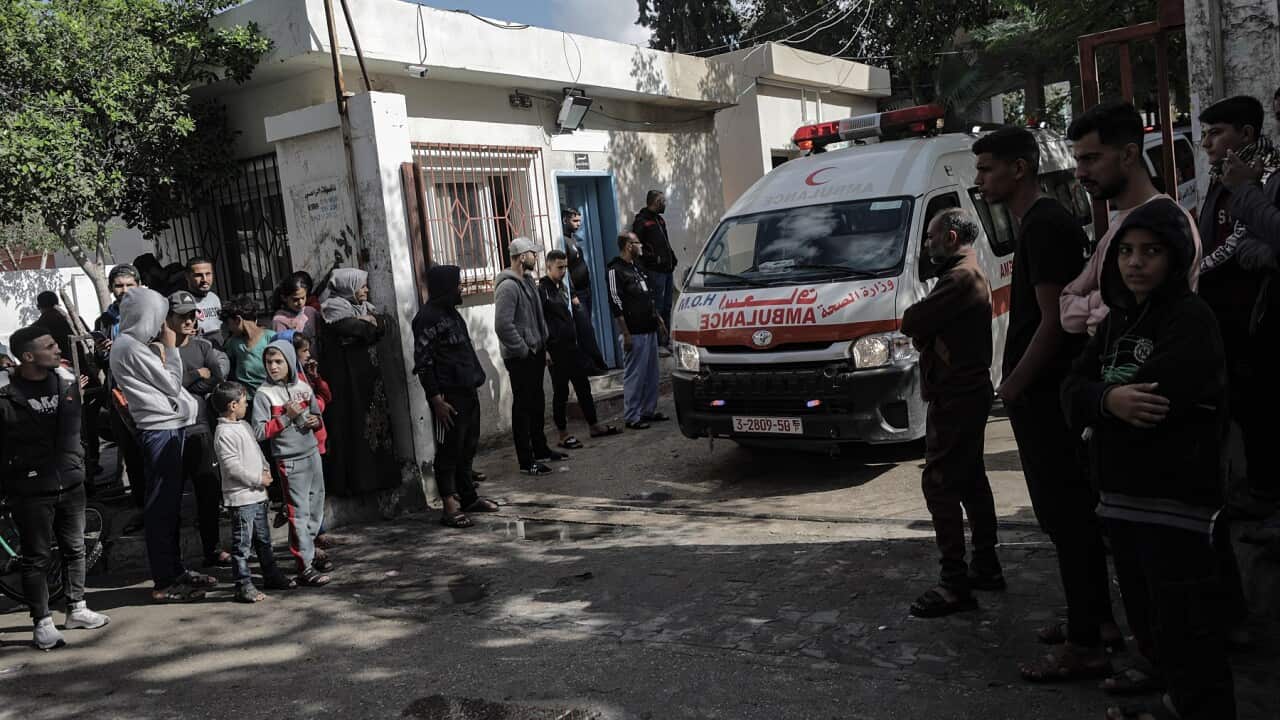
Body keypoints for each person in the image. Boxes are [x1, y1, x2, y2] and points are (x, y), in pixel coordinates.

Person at [1062, 201, 1237, 720]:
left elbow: (1159, 397)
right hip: (1121, 499)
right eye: (1127, 253)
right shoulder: (1117, 320)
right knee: (1151, 620)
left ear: (1175, 256)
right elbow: (1071, 391)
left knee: (1189, 625)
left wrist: (1099, 399)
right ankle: (1174, 703)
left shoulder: (1191, 319)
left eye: (1151, 252)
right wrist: (1105, 400)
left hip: (1176, 502)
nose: (1135, 263)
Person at [973, 127, 1120, 679]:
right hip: (1042, 391)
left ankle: (1088, 641)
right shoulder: (1034, 223)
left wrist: (1012, 384)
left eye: (988, 170)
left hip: (1048, 394)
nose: (979, 180)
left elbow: (1054, 321)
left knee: (1067, 515)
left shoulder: (1044, 224)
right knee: (1065, 517)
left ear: (1020, 168)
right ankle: (1093, 618)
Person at [901, 209, 1001, 618]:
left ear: (950, 236)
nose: (927, 244)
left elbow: (913, 321)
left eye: (930, 237)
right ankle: (986, 564)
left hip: (956, 396)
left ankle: (954, 582)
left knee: (940, 483)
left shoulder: (959, 278)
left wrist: (925, 331)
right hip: (966, 393)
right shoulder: (967, 273)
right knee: (971, 478)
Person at [0, 325, 111, 650]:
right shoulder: (6, 394)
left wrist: (78, 464)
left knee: (75, 547)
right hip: (29, 488)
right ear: (28, 356)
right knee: (36, 557)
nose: (56, 349)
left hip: (70, 481)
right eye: (48, 346)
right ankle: (43, 622)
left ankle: (76, 608)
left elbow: (73, 430)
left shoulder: (65, 383)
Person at [1196, 96, 1280, 520]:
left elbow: (1252, 244)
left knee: (1258, 416)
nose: (1208, 143)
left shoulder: (1258, 181)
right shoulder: (1223, 179)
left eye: (1216, 133)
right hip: (1225, 324)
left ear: (1246, 135)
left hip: (1251, 323)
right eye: (1205, 135)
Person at [1061, 101, 1201, 335]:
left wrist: (1100, 303)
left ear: (1128, 154)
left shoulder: (1171, 223)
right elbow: (1066, 308)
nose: (1079, 173)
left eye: (1091, 159)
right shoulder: (1118, 225)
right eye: (1078, 160)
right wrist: (1105, 299)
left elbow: (1112, 323)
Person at [109, 287, 212, 603]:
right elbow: (170, 383)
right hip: (160, 431)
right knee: (161, 508)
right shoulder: (128, 347)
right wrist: (173, 349)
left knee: (170, 507)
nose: (162, 324)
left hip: (170, 428)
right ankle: (165, 580)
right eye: (158, 316)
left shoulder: (133, 345)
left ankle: (175, 571)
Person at [412, 265, 498, 527]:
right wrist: (436, 399)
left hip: (467, 389)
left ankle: (468, 497)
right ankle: (449, 506)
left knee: (467, 446)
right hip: (447, 395)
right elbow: (423, 363)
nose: (460, 289)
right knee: (449, 450)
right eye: (457, 285)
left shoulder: (451, 313)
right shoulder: (426, 318)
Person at [316, 268, 399, 496]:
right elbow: (359, 329)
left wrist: (370, 323)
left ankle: (381, 477)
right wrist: (369, 324)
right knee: (353, 427)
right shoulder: (333, 309)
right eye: (362, 286)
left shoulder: (364, 308)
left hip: (369, 380)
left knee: (376, 425)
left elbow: (383, 326)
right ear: (347, 286)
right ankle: (359, 483)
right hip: (347, 382)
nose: (366, 290)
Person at [253, 339, 329, 586]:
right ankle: (304, 566)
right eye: (268, 362)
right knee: (298, 512)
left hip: (311, 452)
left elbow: (317, 415)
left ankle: (309, 550)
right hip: (289, 460)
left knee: (316, 505)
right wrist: (287, 417)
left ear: (289, 361)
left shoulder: (304, 387)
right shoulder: (264, 394)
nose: (273, 367)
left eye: (278, 361)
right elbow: (260, 431)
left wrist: (313, 422)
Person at [211, 381, 296, 602]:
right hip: (242, 499)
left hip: (258, 496)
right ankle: (243, 585)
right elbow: (232, 468)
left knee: (264, 540)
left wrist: (265, 469)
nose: (246, 405)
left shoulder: (244, 426)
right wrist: (258, 479)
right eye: (243, 402)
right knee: (242, 546)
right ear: (232, 405)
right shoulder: (223, 433)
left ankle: (271, 575)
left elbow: (257, 452)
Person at [167, 290, 231, 568]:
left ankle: (212, 549)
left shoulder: (203, 346)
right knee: (172, 496)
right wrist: (195, 375)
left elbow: (216, 378)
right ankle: (173, 558)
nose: (188, 320)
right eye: (181, 316)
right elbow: (168, 384)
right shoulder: (161, 349)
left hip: (201, 428)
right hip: (170, 430)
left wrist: (188, 382)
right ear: (168, 318)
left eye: (192, 314)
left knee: (208, 492)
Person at [494, 238, 565, 476]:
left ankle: (541, 449)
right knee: (523, 408)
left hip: (534, 352)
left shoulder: (527, 281)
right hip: (520, 356)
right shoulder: (508, 286)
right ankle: (526, 461)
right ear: (522, 256)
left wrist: (541, 346)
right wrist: (524, 350)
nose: (537, 257)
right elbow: (503, 326)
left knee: (536, 403)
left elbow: (536, 317)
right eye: (533, 253)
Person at [539, 249, 620, 449]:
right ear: (549, 267)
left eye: (565, 267)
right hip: (555, 349)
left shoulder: (562, 287)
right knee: (561, 392)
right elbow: (539, 321)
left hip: (571, 346)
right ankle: (562, 433)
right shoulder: (542, 290)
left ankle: (594, 425)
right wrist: (546, 350)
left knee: (583, 387)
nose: (564, 271)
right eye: (560, 267)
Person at [94, 265, 146, 507]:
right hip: (118, 394)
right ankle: (141, 505)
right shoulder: (104, 320)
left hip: (146, 391)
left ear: (138, 285)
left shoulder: (149, 312)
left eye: (129, 285)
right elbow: (100, 361)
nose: (124, 291)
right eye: (119, 286)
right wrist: (103, 352)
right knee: (132, 454)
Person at [608, 230, 667, 430]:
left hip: (649, 328)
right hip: (634, 332)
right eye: (637, 243)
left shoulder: (637, 267)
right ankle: (632, 416)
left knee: (652, 374)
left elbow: (647, 297)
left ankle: (647, 411)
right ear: (628, 246)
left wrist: (659, 320)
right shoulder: (615, 270)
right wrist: (625, 333)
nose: (640, 246)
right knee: (635, 375)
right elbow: (616, 304)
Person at [562, 208, 608, 374]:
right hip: (577, 295)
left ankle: (591, 364)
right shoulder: (564, 241)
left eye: (579, 220)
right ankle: (593, 365)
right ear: (565, 220)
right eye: (575, 221)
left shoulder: (573, 239)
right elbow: (565, 270)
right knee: (585, 330)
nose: (579, 224)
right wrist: (572, 294)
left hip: (586, 290)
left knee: (587, 328)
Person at [632, 190, 677, 336]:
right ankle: (658, 342)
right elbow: (636, 246)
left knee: (667, 306)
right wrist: (653, 259)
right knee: (657, 306)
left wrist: (671, 256)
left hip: (667, 269)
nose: (665, 204)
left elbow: (665, 242)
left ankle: (666, 339)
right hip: (655, 271)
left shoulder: (660, 219)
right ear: (656, 203)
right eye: (663, 201)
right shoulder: (642, 221)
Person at [220, 298, 276, 397]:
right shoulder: (232, 343)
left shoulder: (271, 338)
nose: (228, 328)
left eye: (228, 323)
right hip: (247, 400)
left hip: (272, 397)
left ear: (238, 320)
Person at [273, 273, 320, 346]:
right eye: (295, 299)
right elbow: (283, 346)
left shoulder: (311, 311)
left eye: (303, 298)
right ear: (284, 298)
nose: (300, 302)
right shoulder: (279, 320)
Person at [185, 257, 222, 346]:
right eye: (198, 275)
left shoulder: (214, 298)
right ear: (187, 276)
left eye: (208, 274)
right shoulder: (182, 301)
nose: (204, 279)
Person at [35, 291, 77, 362]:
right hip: (83, 362)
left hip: (61, 364)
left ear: (38, 306)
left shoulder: (40, 325)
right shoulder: (74, 318)